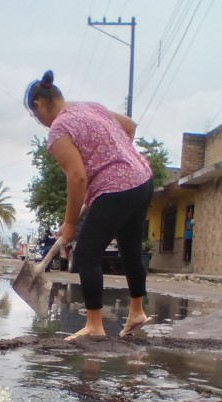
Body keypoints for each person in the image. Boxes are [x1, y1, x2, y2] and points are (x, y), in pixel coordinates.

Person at [24, 70, 154, 340]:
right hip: (142, 181)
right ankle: (136, 311)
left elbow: (77, 176)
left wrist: (70, 224)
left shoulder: (60, 128)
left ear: (38, 105)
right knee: (130, 249)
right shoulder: (92, 107)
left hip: (116, 189)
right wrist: (116, 157)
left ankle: (94, 324)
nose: (41, 123)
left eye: (35, 117)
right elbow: (129, 126)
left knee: (85, 254)